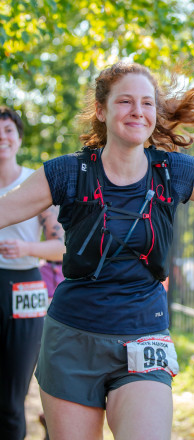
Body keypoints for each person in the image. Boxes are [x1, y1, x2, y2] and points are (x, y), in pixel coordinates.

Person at [0, 62, 194, 440]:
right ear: (102, 111)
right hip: (71, 340)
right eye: (125, 101)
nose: (138, 110)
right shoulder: (67, 173)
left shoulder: (173, 172)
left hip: (143, 336)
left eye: (147, 102)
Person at [0, 106, 65, 440]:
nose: (2, 137)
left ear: (19, 137)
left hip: (27, 285)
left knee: (13, 399)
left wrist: (26, 249)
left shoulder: (35, 184)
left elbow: (60, 247)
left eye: (9, 130)